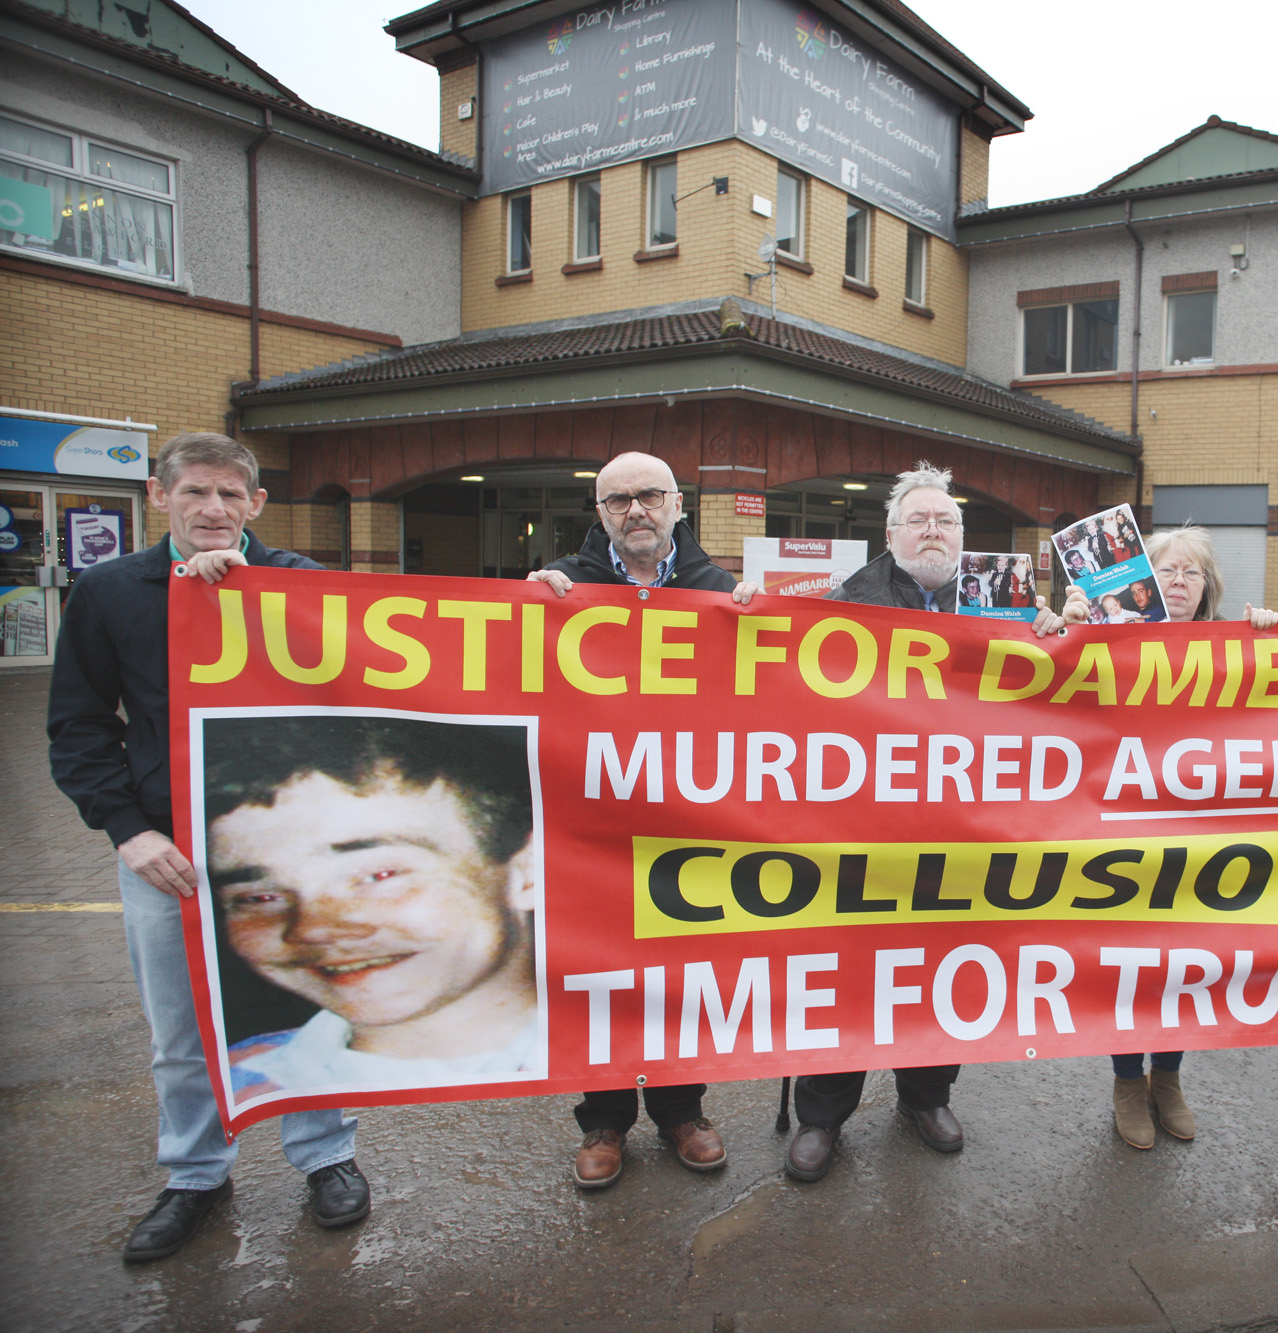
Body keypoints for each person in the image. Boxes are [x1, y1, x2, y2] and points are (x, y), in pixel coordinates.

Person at [47, 432, 370, 1263]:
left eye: (231, 495)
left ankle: (325, 1156)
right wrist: (129, 829)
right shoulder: (110, 591)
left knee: (311, 1001)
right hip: (172, 855)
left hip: (294, 848)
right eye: (195, 493)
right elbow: (79, 727)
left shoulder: (299, 583)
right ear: (161, 497)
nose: (213, 510)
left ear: (257, 504)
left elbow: (404, 646)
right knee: (181, 1027)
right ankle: (195, 1173)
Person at [779, 462, 1064, 1182]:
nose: (932, 530)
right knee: (848, 974)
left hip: (962, 833)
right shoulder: (848, 602)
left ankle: (926, 1095)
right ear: (891, 532)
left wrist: (1056, 635)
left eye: (945, 521)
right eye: (919, 519)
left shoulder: (1003, 605)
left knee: (942, 970)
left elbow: (1050, 704)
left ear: (963, 537)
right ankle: (822, 1115)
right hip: (864, 833)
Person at [528, 450, 752, 1188]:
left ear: (678, 504)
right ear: (599, 513)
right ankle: (605, 1118)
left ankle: (683, 1111)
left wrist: (764, 624)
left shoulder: (720, 589)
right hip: (590, 827)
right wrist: (519, 614)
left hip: (685, 823)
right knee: (602, 972)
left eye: (650, 496)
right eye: (617, 500)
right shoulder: (561, 585)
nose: (636, 511)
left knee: (680, 972)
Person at [1062, 525, 1278, 1149]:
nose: (1178, 581)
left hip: (1198, 840)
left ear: (1208, 587)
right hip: (1118, 834)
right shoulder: (1103, 639)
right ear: (1139, 580)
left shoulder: (1235, 644)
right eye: (1167, 569)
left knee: (1183, 963)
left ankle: (1170, 1077)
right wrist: (1066, 624)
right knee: (1130, 965)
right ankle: (1128, 1081)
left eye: (1192, 572)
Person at [204, 716, 541, 1096]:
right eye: (259, 898)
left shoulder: (606, 1046)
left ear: (527, 872)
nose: (312, 928)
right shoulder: (236, 1079)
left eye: (378, 876)